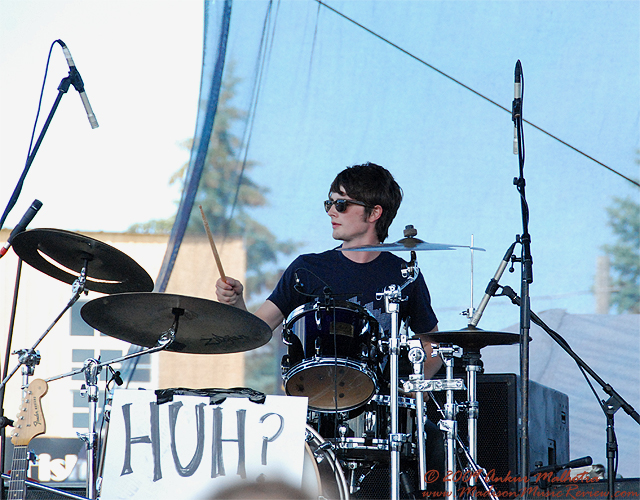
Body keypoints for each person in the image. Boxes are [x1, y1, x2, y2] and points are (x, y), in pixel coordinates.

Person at [216, 162, 444, 495]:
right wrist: (235, 304)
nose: (331, 212)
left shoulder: (403, 274)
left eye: (340, 204)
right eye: (329, 203)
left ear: (373, 213)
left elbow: (432, 347)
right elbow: (256, 330)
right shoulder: (308, 268)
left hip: (381, 415)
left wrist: (408, 390)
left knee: (434, 441)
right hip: (313, 413)